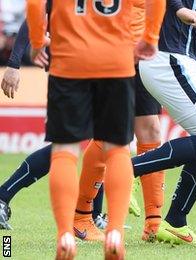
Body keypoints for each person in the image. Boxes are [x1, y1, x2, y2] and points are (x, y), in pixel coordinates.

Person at [0, 1, 169, 243]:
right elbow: (39, 6)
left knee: (141, 131)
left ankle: (147, 222)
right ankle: (75, 215)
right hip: (101, 54)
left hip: (134, 55)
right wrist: (16, 62)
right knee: (95, 141)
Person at [129, 0, 196, 245]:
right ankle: (126, 171)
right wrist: (178, 9)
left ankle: (175, 222)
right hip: (167, 58)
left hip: (185, 57)